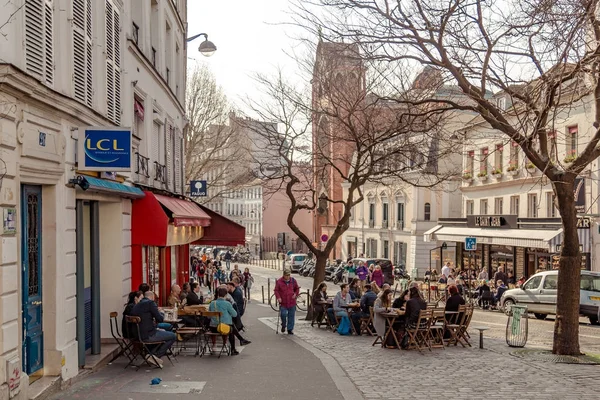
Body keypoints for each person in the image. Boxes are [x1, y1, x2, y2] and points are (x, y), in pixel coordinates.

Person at [131, 291, 176, 366]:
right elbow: (160, 319)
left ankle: (151, 354)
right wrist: (160, 313)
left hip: (137, 335)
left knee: (163, 331)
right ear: (152, 297)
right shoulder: (150, 303)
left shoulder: (137, 305)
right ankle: (155, 356)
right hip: (148, 335)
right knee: (173, 336)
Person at [208, 287, 239, 356]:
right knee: (231, 329)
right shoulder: (227, 304)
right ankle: (233, 349)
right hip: (223, 328)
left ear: (218, 294)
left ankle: (215, 345)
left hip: (213, 328)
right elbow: (235, 314)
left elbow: (208, 316)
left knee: (230, 327)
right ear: (226, 295)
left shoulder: (212, 303)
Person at [274, 270, 300, 334]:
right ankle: (283, 325)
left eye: (289, 275)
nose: (288, 277)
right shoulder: (279, 281)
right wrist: (278, 297)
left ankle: (290, 329)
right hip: (283, 302)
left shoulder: (293, 281)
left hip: (292, 301)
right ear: (284, 275)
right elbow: (276, 290)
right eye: (286, 275)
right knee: (283, 314)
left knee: (291, 316)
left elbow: (297, 288)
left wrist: (295, 294)